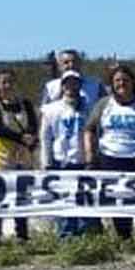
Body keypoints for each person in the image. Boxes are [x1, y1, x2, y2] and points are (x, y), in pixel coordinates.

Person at [83, 65, 135, 241]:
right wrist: (89, 155)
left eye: (125, 80)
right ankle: (125, 239)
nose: (121, 83)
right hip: (110, 159)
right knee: (118, 201)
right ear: (111, 84)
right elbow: (89, 129)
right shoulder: (103, 104)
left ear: (132, 82)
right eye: (117, 80)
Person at [0, 68, 38, 244]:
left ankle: (22, 235)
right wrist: (21, 137)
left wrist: (30, 139)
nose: (7, 85)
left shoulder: (25, 104)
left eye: (10, 82)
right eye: (3, 82)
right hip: (0, 158)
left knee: (21, 197)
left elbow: (33, 124)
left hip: (22, 157)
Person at [39, 70, 93, 238]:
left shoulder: (89, 108)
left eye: (75, 83)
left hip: (83, 162)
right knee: (64, 202)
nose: (71, 86)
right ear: (62, 86)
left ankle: (86, 237)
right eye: (68, 83)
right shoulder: (50, 110)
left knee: (84, 202)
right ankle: (66, 237)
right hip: (61, 162)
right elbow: (45, 137)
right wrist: (46, 162)